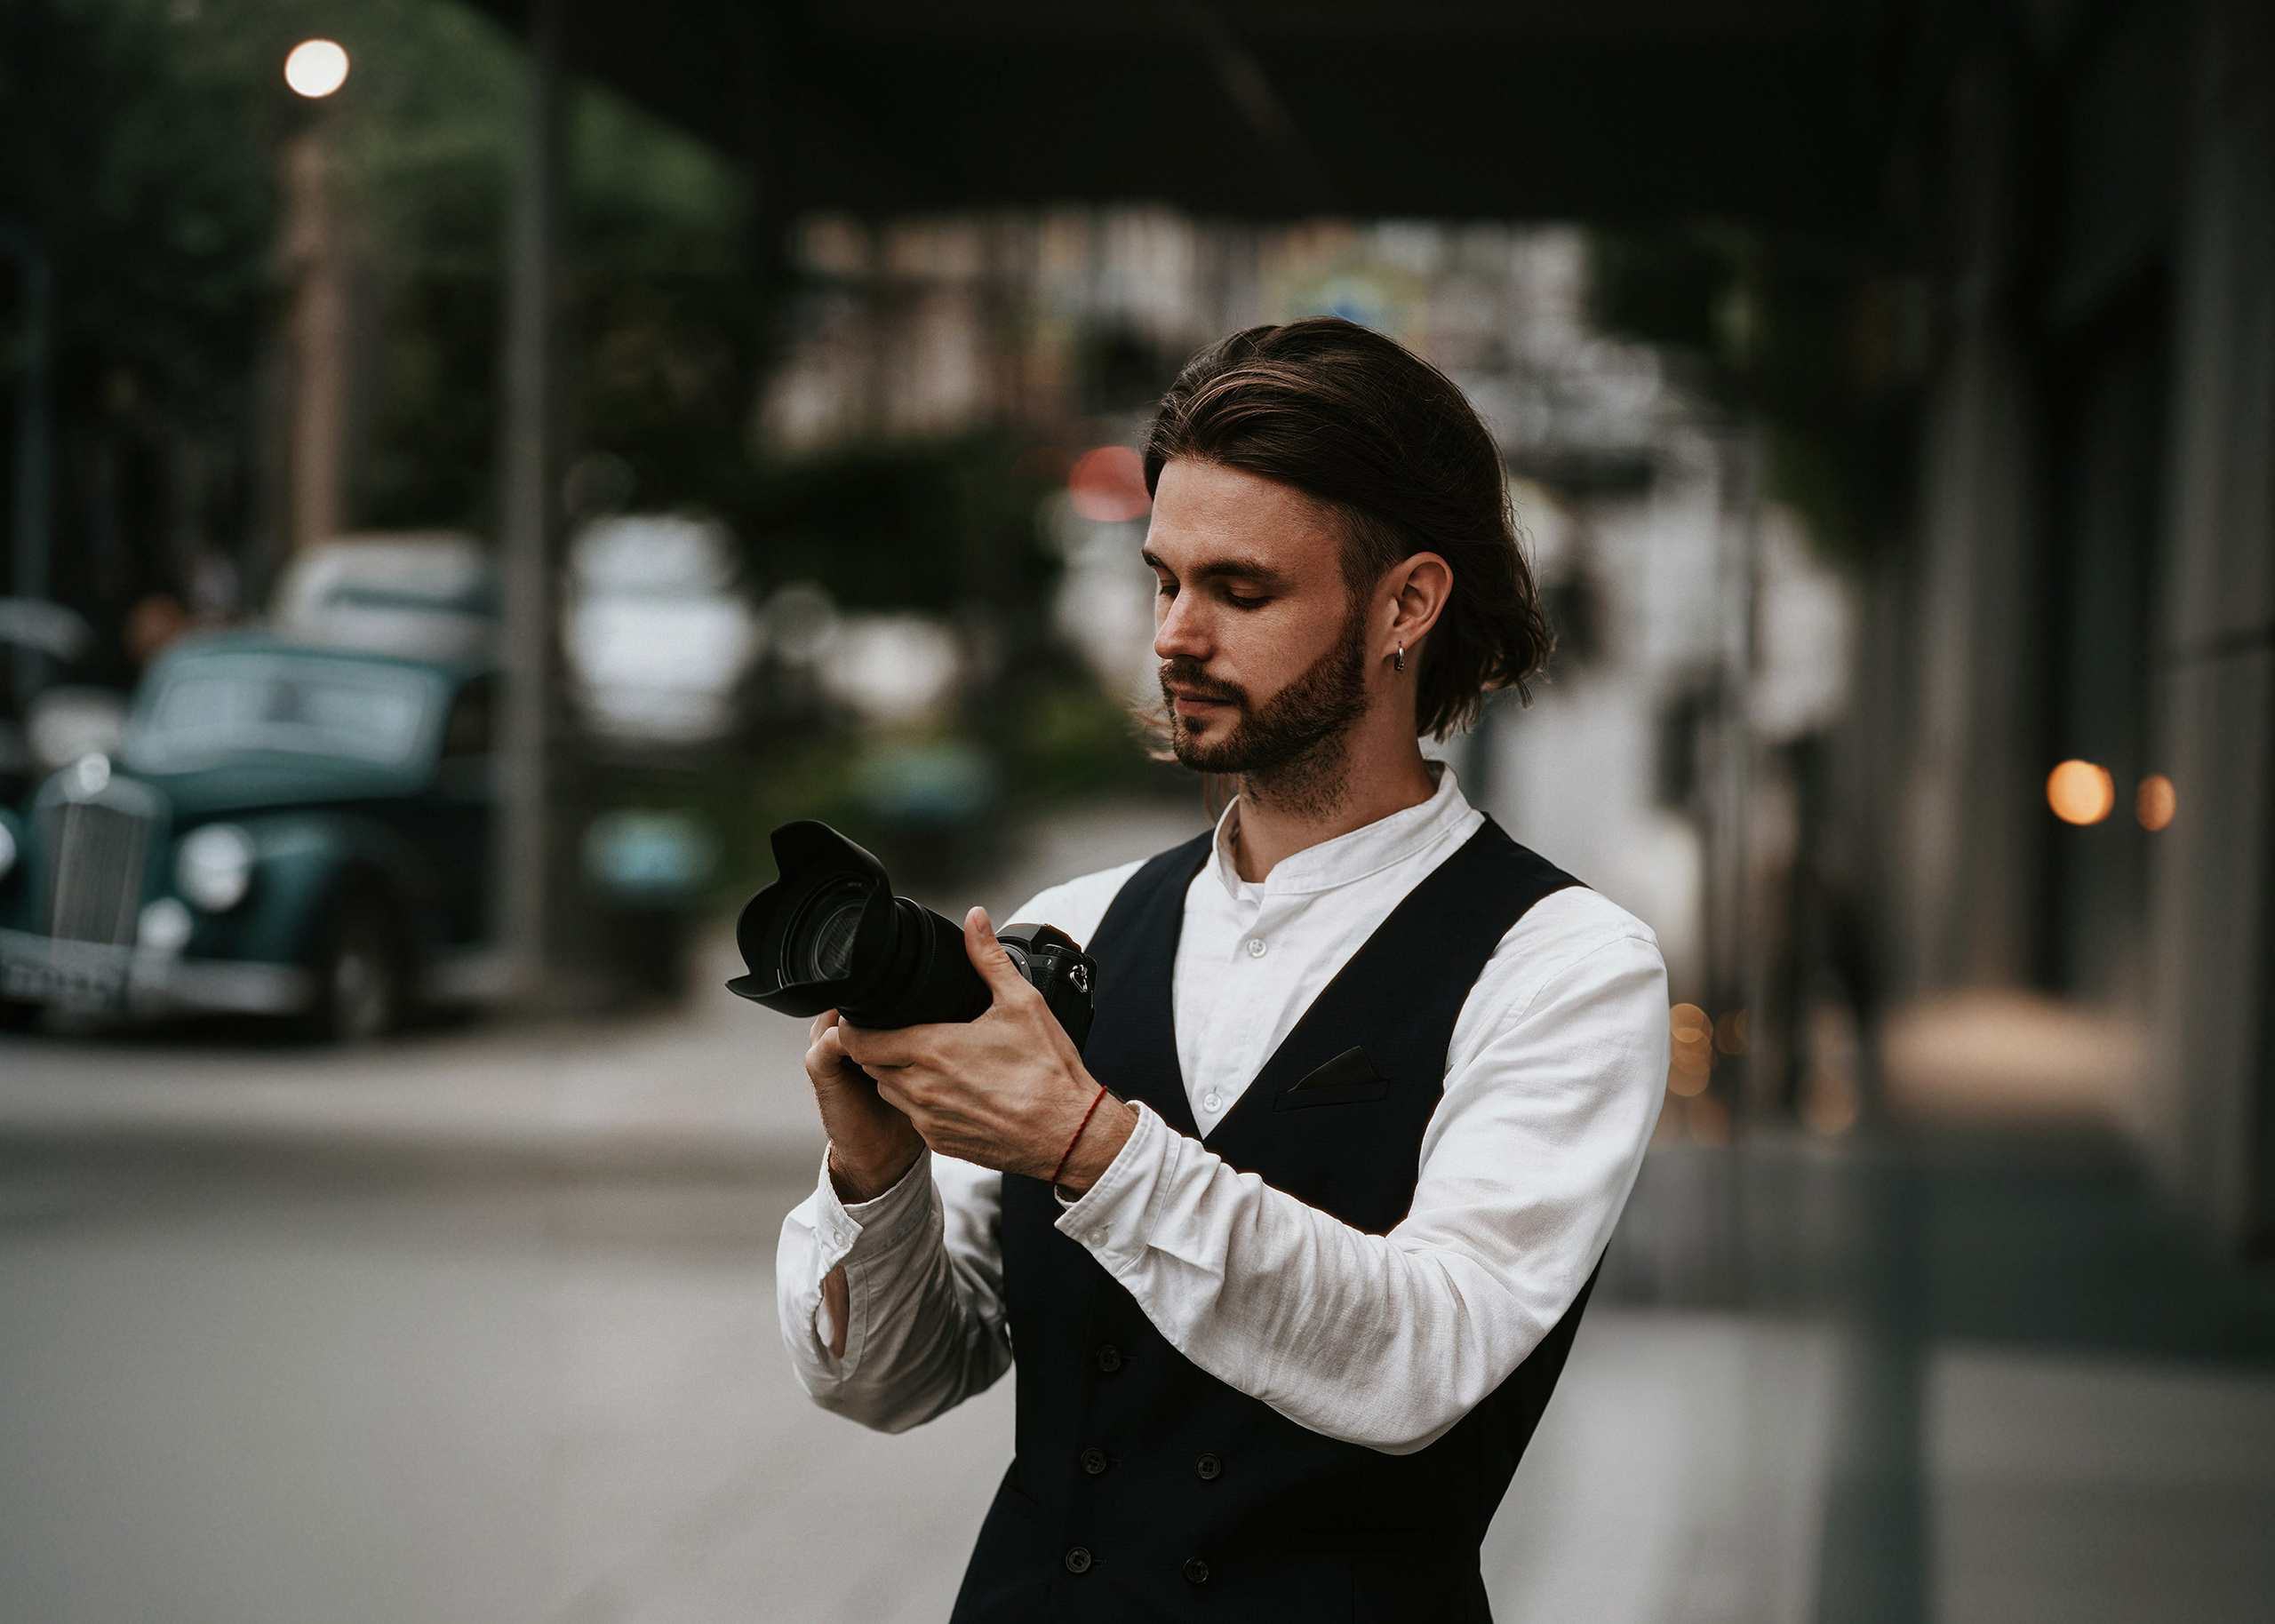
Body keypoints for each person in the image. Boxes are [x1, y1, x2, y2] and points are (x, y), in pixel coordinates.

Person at [777, 317, 1670, 1620]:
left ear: (1407, 605)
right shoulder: (1073, 930)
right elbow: (892, 1382)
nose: (1175, 638)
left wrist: (1089, 1146)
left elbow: (1428, 1355)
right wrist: (880, 1172)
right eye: (1162, 581)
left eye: (1239, 592)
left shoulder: (1565, 967)